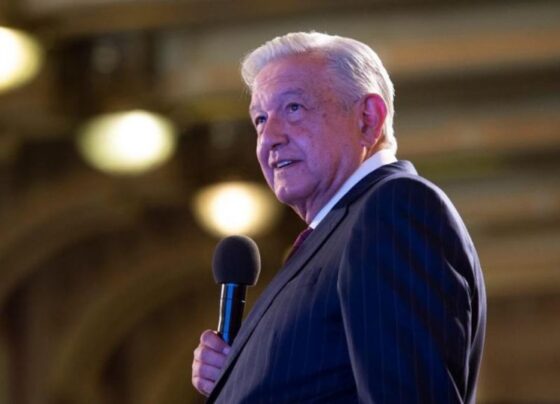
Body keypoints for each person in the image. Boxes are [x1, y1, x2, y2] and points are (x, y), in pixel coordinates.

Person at [192, 31, 486, 403]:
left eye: (294, 108)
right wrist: (239, 375)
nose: (269, 138)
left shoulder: (393, 210)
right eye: (260, 119)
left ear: (368, 118)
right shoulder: (338, 235)